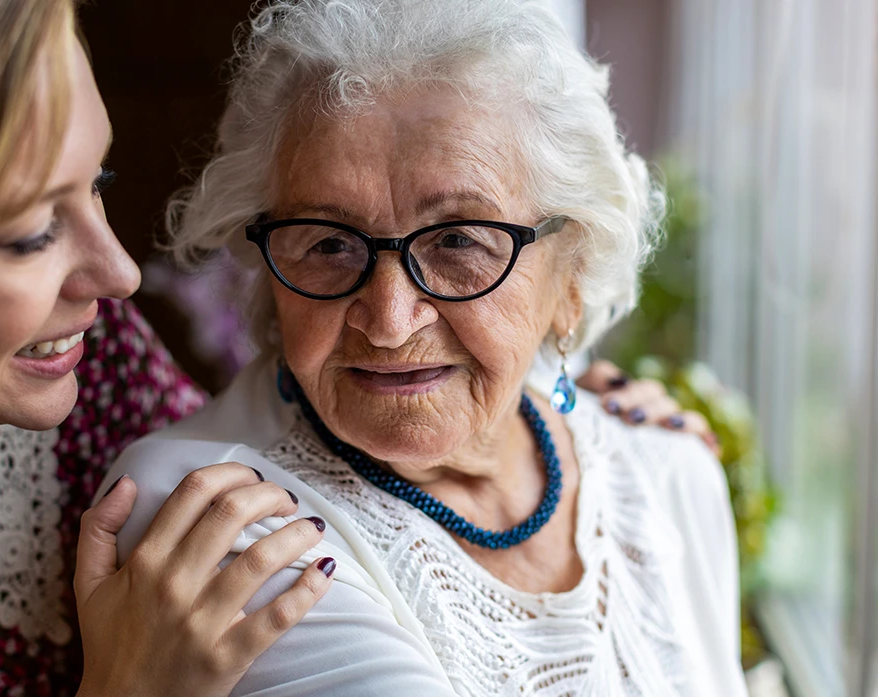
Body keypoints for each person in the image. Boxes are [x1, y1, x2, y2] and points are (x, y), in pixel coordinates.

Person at [0, 2, 716, 696]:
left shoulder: (78, 359)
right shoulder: (227, 518)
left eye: (462, 243)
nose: (121, 275)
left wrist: (547, 387)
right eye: (31, 231)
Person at [102, 0, 748, 695]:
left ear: (572, 277)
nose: (388, 319)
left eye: (458, 241)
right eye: (328, 242)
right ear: (265, 270)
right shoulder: (214, 515)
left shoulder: (669, 473)